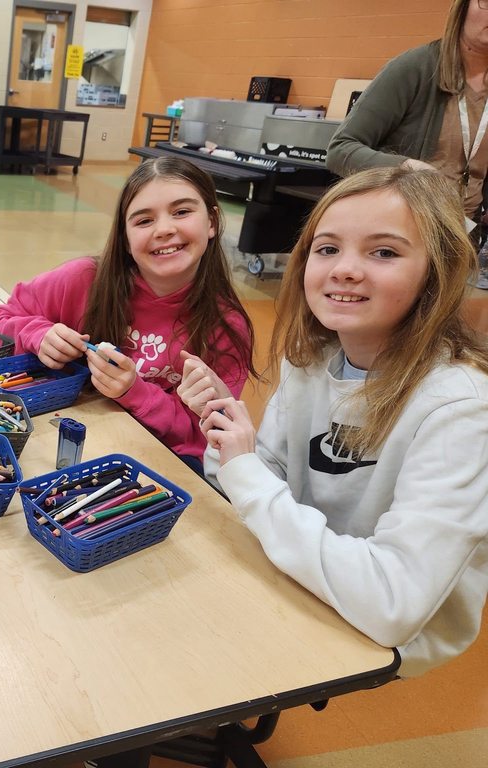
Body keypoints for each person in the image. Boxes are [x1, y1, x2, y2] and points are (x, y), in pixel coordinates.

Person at [185, 167, 488, 678]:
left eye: (384, 252)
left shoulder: (460, 408)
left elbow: (393, 606)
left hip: (376, 630)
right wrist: (227, 434)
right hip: (308, 574)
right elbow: (265, 481)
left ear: (436, 273)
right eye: (327, 249)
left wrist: (245, 473)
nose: (345, 269)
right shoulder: (311, 361)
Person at [0, 157, 256, 469]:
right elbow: (2, 321)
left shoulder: (226, 327)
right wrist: (38, 335)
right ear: (126, 240)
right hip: (57, 448)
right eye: (144, 221)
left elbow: (203, 442)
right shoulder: (82, 280)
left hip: (153, 470)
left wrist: (135, 392)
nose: (165, 230)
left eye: (182, 212)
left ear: (211, 222)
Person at [326, 0, 488, 286]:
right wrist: (408, 168)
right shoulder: (416, 68)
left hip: (459, 237)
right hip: (397, 233)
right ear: (462, 7)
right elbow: (341, 149)